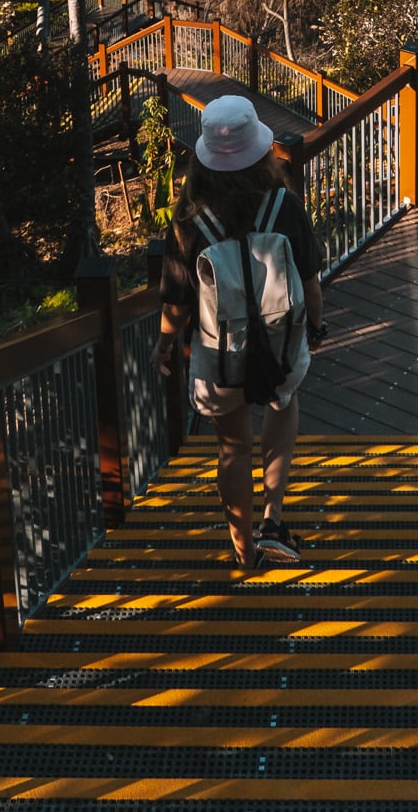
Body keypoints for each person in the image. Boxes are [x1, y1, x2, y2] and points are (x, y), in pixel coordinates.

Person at [155, 94, 326, 574]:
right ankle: (274, 519)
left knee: (232, 446)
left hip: (216, 352)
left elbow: (176, 304)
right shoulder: (285, 207)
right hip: (280, 341)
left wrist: (164, 345)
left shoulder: (190, 221)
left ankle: (244, 551)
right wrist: (315, 326)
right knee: (283, 405)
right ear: (261, 151)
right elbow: (310, 283)